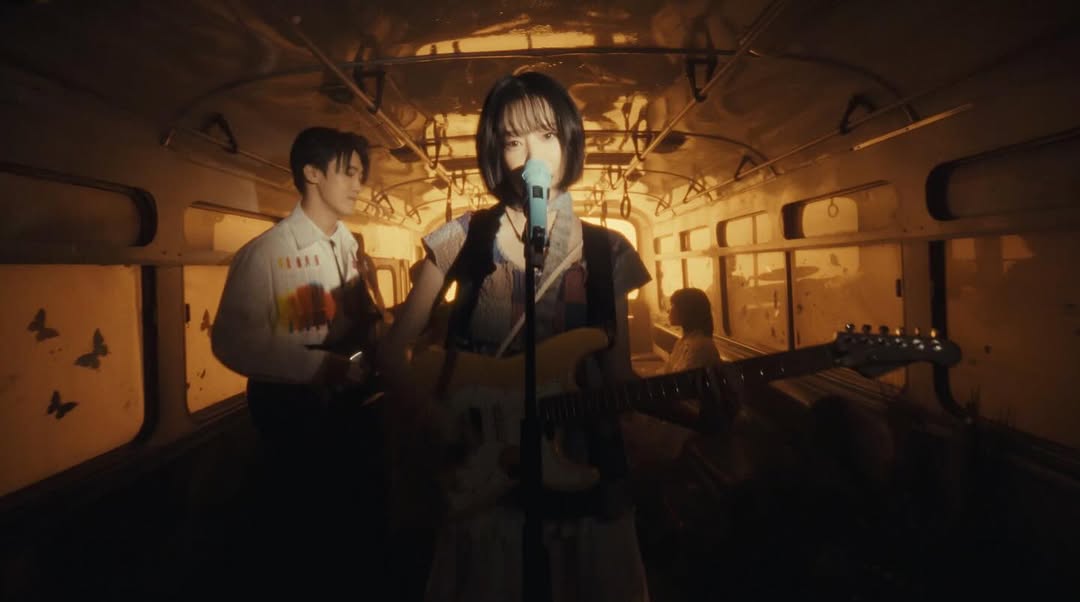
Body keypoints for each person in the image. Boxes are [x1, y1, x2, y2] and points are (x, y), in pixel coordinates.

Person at [378, 72, 654, 602]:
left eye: (547, 135)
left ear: (569, 140)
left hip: (583, 463)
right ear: (495, 152)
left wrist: (691, 410)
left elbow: (618, 375)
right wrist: (438, 421)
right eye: (513, 141)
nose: (533, 156)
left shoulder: (610, 251)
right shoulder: (460, 237)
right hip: (484, 474)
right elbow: (393, 350)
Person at [210, 126, 385, 596]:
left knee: (353, 527)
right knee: (306, 534)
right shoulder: (268, 254)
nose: (358, 184)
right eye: (348, 173)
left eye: (361, 174)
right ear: (312, 173)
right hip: (297, 415)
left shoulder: (350, 246)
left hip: (352, 409)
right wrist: (318, 367)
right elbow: (231, 340)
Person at [661, 287, 722, 373]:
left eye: (672, 305)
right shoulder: (681, 342)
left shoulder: (700, 347)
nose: (668, 310)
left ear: (686, 310)